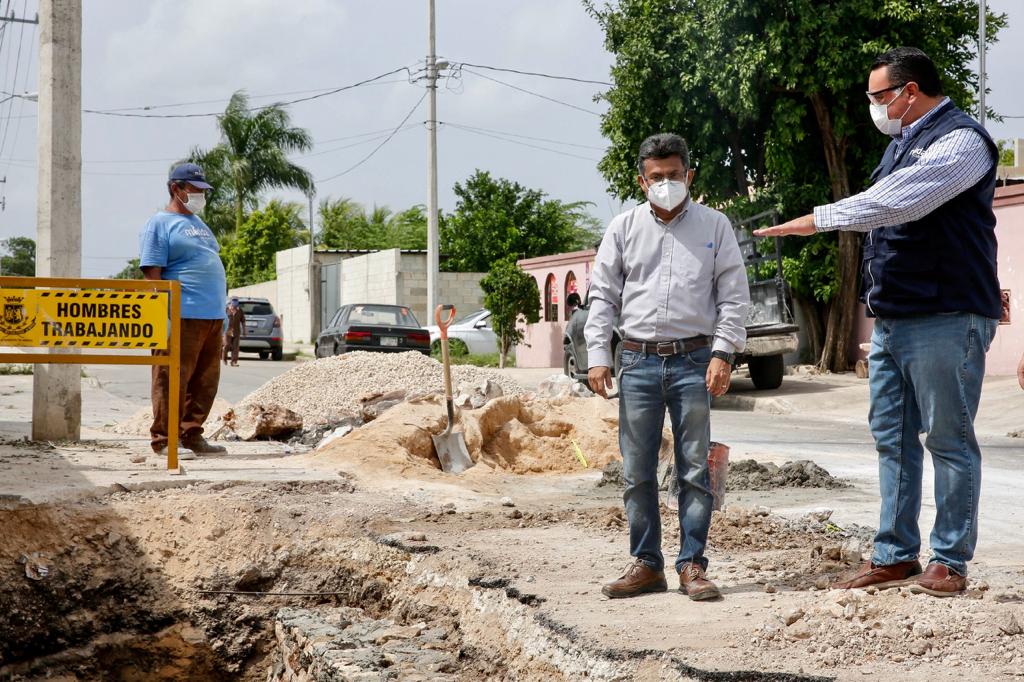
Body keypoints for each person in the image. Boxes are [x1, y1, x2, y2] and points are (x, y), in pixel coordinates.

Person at [754, 47, 1001, 597]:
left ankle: (951, 560)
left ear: (909, 91)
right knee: (892, 439)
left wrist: (815, 220)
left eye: (878, 95)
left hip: (945, 315)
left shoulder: (961, 142)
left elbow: (898, 205)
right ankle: (894, 555)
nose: (873, 106)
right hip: (893, 319)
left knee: (948, 440)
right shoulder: (900, 145)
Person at [586, 133, 750, 601]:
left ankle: (693, 565)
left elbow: (733, 297)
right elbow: (603, 297)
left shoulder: (716, 228)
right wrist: (598, 355)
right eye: (656, 177)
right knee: (637, 471)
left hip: (695, 360)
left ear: (689, 176)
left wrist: (723, 353)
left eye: (674, 175)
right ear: (642, 180)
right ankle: (646, 563)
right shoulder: (622, 229)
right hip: (636, 361)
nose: (665, 184)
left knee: (694, 468)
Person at [139, 163, 228, 460]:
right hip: (180, 314)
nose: (200, 195)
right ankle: (165, 440)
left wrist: (224, 320)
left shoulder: (200, 225)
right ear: (175, 188)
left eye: (203, 190)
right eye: (194, 189)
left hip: (212, 316)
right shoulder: (159, 224)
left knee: (205, 382)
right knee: (171, 377)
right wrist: (162, 316)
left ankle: (191, 435)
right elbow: (152, 274)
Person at [223, 297, 246, 366]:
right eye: (233, 300)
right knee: (227, 345)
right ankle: (224, 358)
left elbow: (243, 321)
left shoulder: (240, 310)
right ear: (231, 302)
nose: (235, 302)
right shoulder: (227, 310)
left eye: (236, 301)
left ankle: (234, 361)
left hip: (236, 331)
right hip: (228, 330)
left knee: (236, 347)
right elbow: (222, 320)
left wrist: (244, 330)